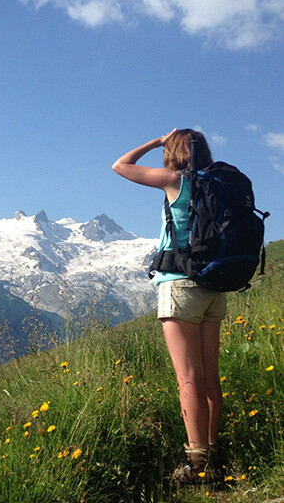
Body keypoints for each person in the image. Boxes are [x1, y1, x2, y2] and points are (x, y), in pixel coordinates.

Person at [112, 128, 226, 483]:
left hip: (180, 286)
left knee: (188, 378)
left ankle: (197, 466)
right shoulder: (219, 185)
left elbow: (120, 166)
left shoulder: (175, 180)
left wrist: (157, 142)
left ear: (176, 150)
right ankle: (213, 454)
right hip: (214, 287)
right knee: (209, 375)